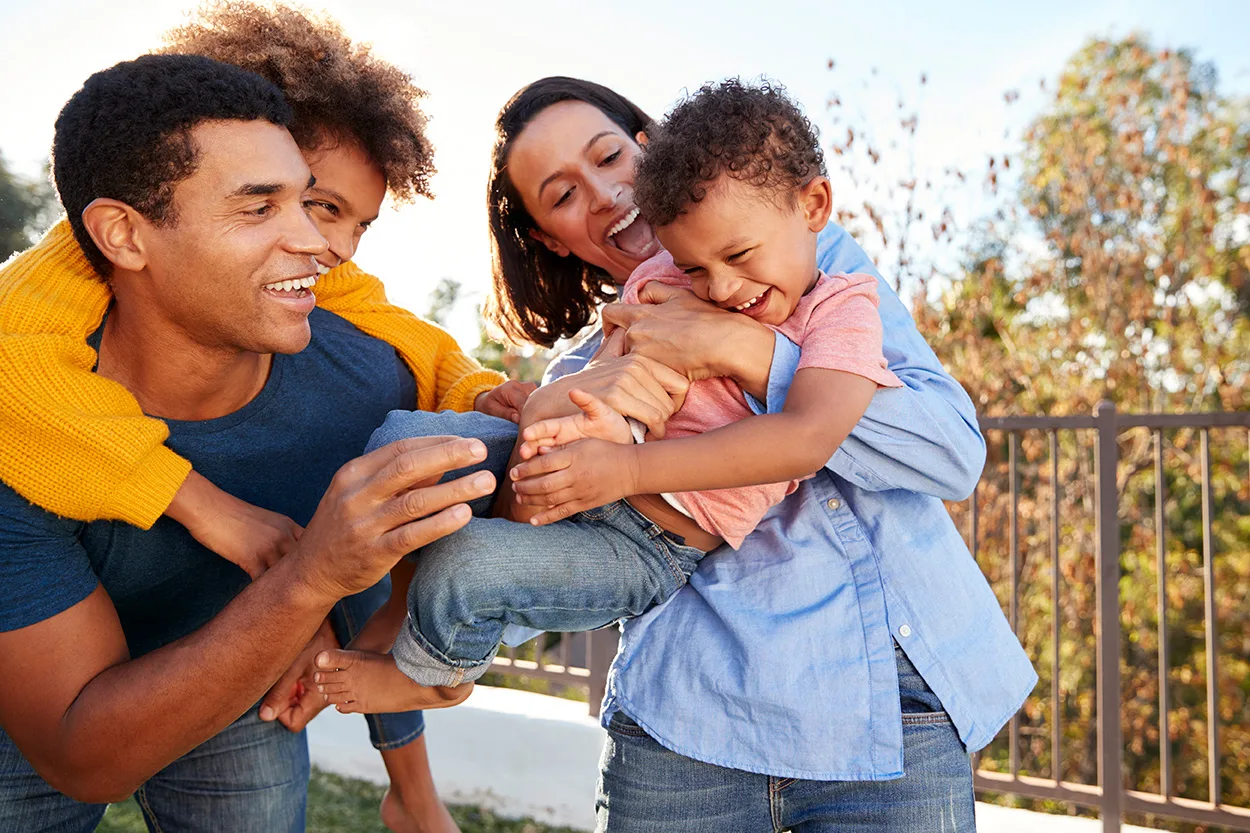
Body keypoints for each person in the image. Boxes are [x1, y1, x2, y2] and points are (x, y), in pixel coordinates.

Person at [337, 75, 1036, 832]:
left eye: (609, 157)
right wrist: (569, 409)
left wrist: (743, 347)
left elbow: (948, 454)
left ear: (649, 145)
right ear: (547, 235)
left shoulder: (825, 275)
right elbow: (532, 530)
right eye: (563, 195)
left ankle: (413, 678)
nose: (605, 194)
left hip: (879, 708)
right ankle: (387, 654)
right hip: (684, 714)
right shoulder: (616, 328)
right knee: (408, 453)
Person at [0, 6, 530, 831]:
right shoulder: (26, 361)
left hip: (231, 649)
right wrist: (257, 540)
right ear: (123, 235)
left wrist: (417, 647)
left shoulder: (351, 351)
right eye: (264, 206)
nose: (327, 247)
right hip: (28, 690)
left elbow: (414, 350)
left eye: (313, 207)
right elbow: (81, 754)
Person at [308, 80, 906, 714]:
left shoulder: (841, 308)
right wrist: (566, 424)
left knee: (471, 561)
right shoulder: (662, 274)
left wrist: (627, 467)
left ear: (814, 205)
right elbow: (606, 373)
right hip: (593, 469)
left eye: (735, 255)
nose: (722, 286)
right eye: (697, 267)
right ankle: (333, 589)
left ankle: (438, 675)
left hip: (648, 541)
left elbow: (807, 439)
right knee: (404, 441)